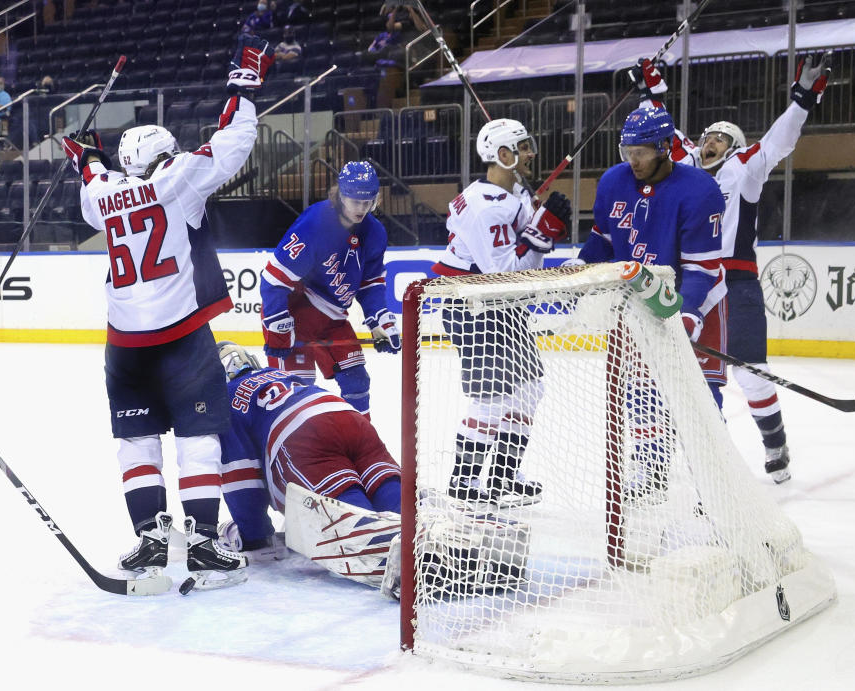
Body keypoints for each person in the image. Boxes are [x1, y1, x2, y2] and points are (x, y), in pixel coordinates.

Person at [60, 35, 274, 590]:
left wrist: (87, 157)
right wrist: (243, 85)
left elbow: (93, 177)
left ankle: (151, 544)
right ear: (163, 153)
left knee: (137, 439)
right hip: (181, 338)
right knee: (198, 437)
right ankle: (202, 544)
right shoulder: (178, 180)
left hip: (124, 345)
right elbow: (232, 142)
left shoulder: (100, 194)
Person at [626, 54, 831, 483]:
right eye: (708, 136)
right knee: (667, 376)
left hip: (736, 284)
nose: (710, 141)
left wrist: (802, 100)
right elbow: (664, 136)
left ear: (734, 147)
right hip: (691, 284)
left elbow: (778, 142)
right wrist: (653, 94)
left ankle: (774, 443)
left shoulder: (744, 170)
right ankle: (657, 461)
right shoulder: (685, 168)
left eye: (720, 137)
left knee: (752, 373)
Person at [570, 106, 727, 499]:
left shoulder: (700, 190)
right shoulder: (612, 182)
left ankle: (713, 479)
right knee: (642, 389)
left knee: (702, 394)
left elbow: (701, 270)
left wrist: (688, 315)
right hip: (639, 302)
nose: (633, 160)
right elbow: (604, 241)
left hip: (700, 302)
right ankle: (652, 467)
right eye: (627, 151)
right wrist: (582, 263)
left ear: (664, 147)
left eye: (641, 151)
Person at [431, 118, 572, 505]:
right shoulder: (483, 208)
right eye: (523, 147)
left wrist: (538, 228)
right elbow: (502, 274)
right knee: (491, 399)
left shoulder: (513, 195)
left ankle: (502, 477)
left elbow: (523, 267)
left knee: (528, 390)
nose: (531, 153)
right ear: (503, 155)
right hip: (475, 306)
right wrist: (541, 233)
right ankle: (463, 483)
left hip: (502, 309)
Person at [216, 342, 401, 593]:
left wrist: (254, 536)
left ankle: (385, 545)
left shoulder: (225, 397)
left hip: (302, 433)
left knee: (356, 529)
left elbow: (241, 478)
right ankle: (430, 530)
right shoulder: (280, 375)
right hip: (349, 417)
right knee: (389, 491)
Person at [259, 160, 398, 418]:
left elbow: (370, 283)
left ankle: (358, 443)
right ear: (341, 195)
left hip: (332, 318)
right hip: (295, 312)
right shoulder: (315, 223)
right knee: (295, 394)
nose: (362, 209)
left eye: (368, 202)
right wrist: (278, 324)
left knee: (357, 382)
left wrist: (379, 319)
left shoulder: (375, 232)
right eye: (356, 201)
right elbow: (273, 279)